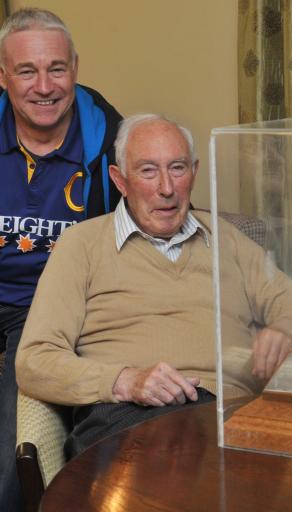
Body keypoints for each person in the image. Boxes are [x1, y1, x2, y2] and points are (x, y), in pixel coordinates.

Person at [16, 113, 292, 459]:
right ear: (120, 180)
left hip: (232, 413)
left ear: (194, 172)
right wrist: (125, 381)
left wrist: (284, 327)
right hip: (129, 416)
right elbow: (34, 361)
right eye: (148, 170)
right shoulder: (81, 245)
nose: (166, 188)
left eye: (177, 168)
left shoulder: (226, 238)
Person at [0, 8, 122, 510]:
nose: (44, 86)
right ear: (3, 76)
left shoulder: (112, 139)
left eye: (57, 68)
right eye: (27, 71)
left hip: (45, 313)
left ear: (75, 67)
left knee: (9, 475)